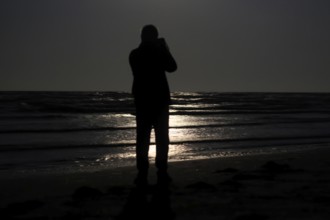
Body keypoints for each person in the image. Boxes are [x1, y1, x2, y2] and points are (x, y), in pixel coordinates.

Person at [129, 24, 177, 186]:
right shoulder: (142, 54)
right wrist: (163, 48)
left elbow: (172, 68)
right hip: (156, 101)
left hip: (145, 101)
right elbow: (172, 66)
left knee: (144, 137)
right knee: (160, 137)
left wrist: (161, 48)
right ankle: (158, 170)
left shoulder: (135, 54)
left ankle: (145, 171)